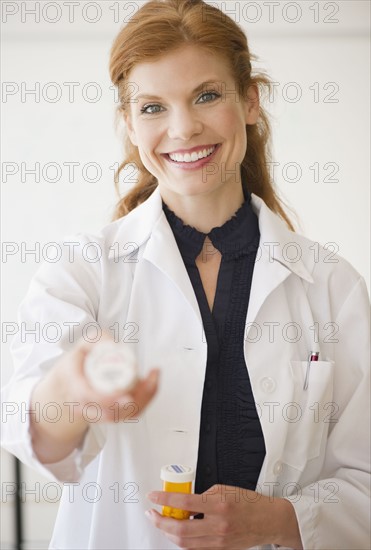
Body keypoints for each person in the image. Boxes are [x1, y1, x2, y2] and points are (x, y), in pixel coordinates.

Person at [1, 0, 370, 549]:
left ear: (249, 100)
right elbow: (38, 439)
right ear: (128, 122)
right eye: (152, 107)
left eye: (206, 95)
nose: (183, 128)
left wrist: (276, 520)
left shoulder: (331, 284)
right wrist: (71, 392)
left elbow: (364, 476)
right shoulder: (83, 271)